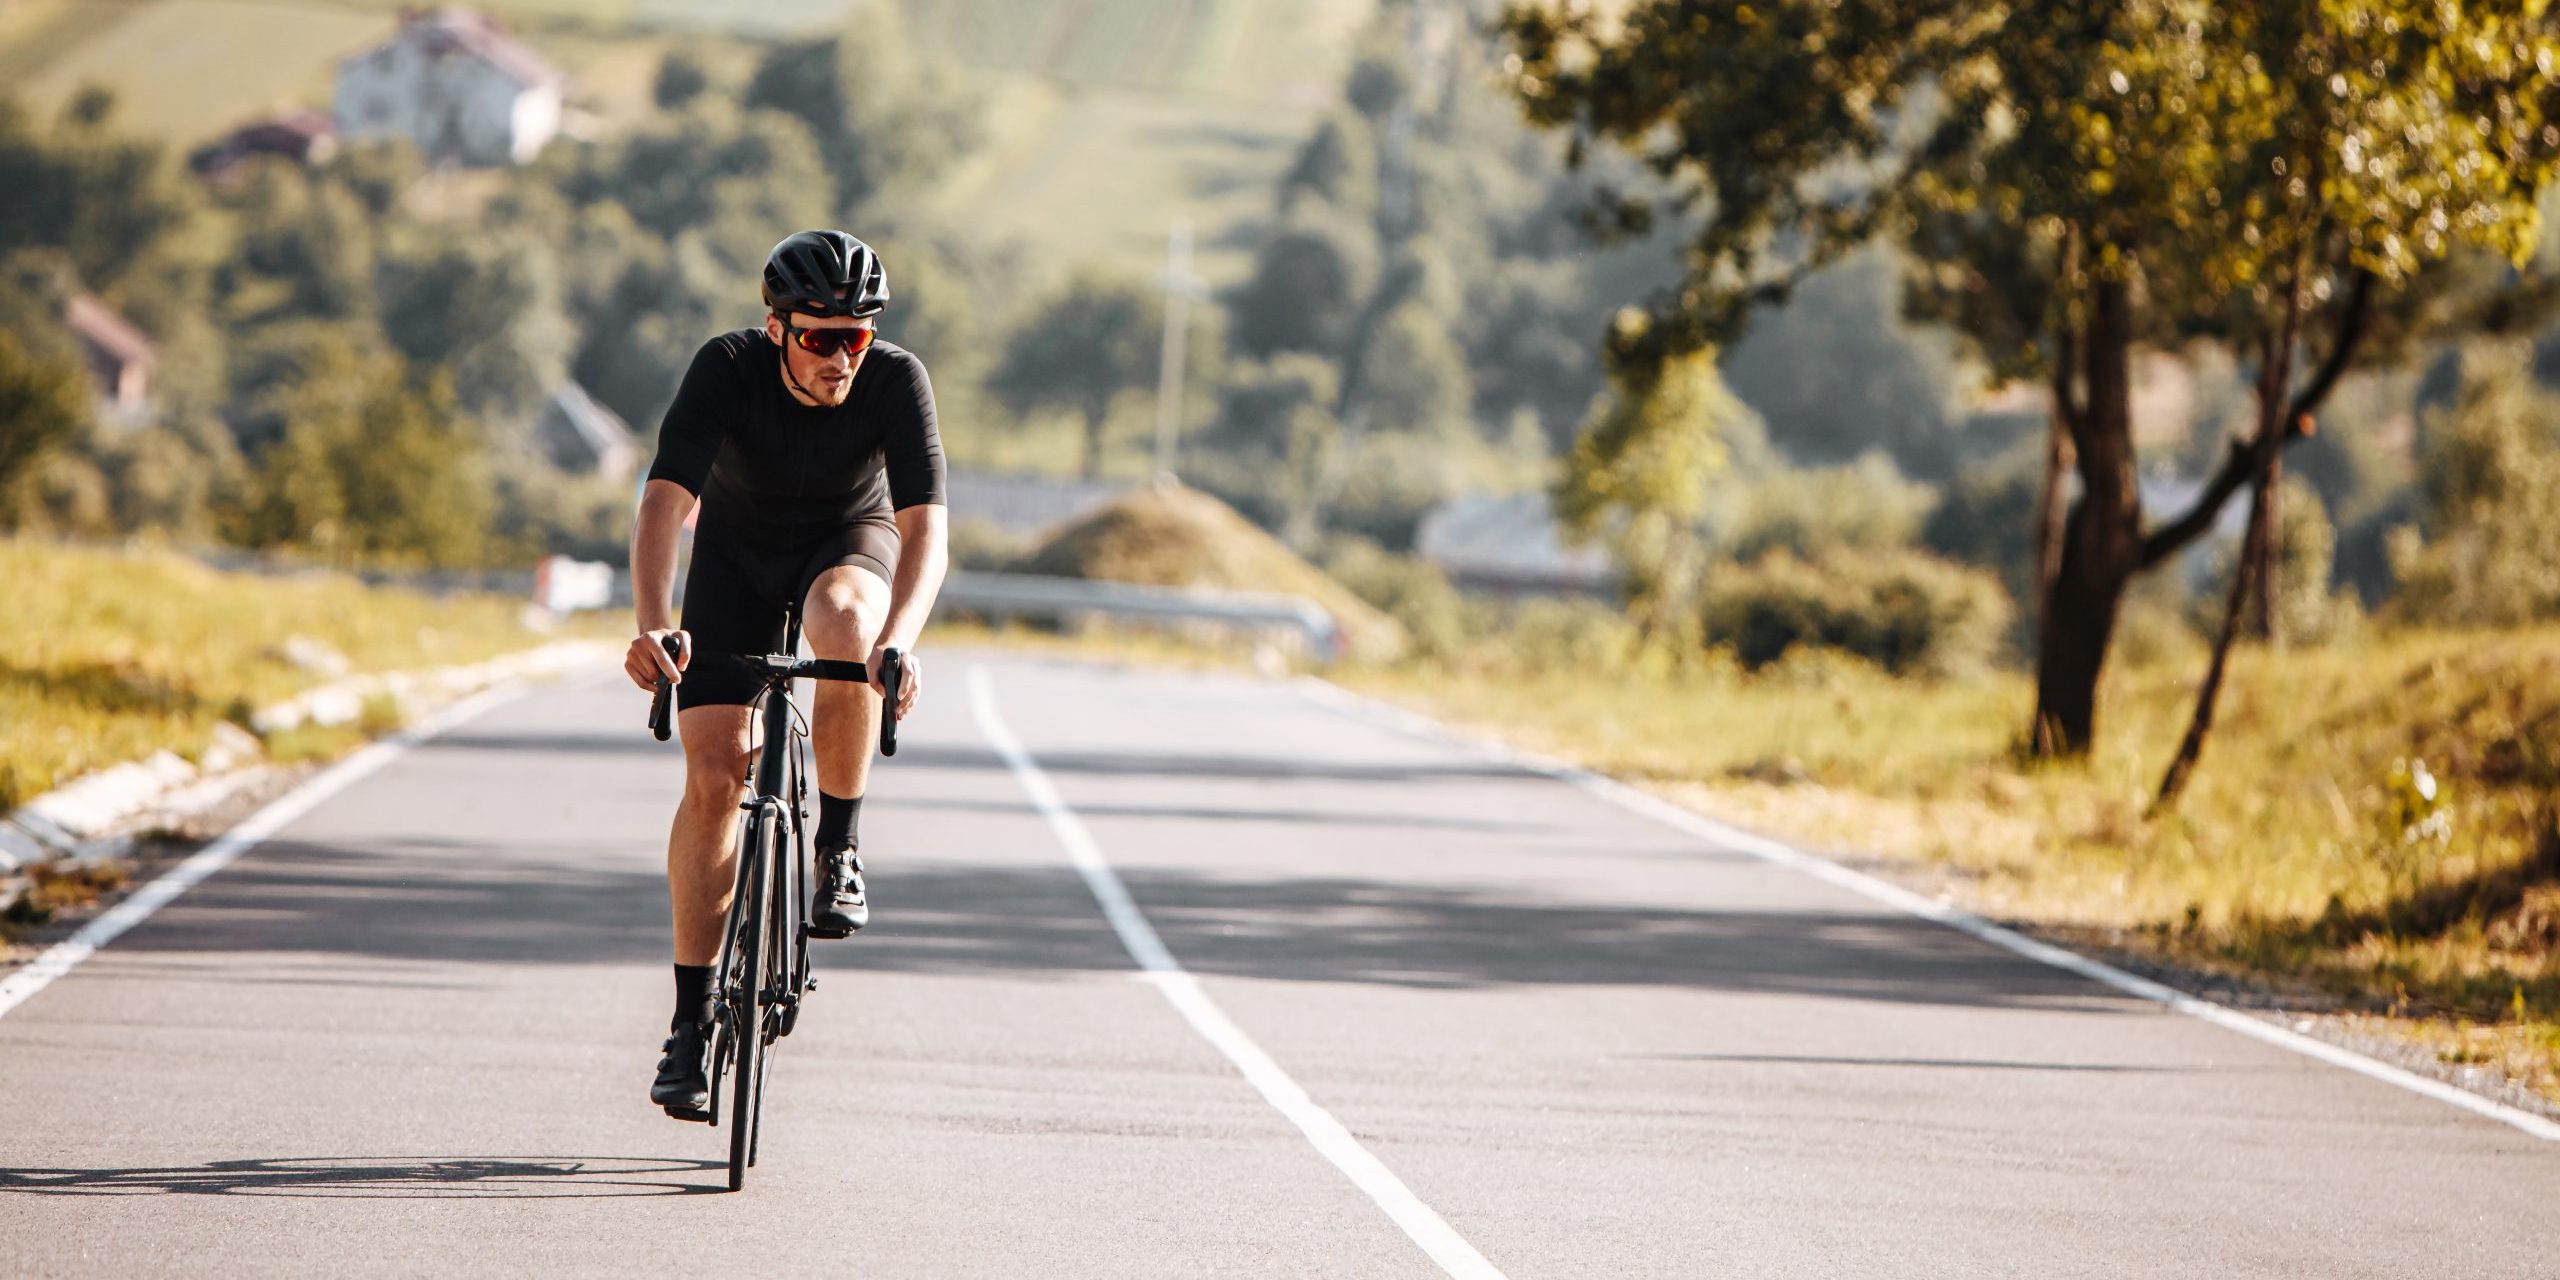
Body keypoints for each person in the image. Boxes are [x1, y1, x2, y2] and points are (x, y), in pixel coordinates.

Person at [622, 230, 948, 1120]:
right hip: (735, 560)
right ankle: (690, 1026)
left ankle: (838, 846)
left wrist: (900, 642)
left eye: (857, 336)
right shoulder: (726, 368)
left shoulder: (896, 380)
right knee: (714, 774)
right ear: (777, 330)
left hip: (847, 543)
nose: (842, 357)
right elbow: (664, 505)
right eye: (820, 337)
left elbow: (926, 528)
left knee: (845, 621)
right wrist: (653, 626)